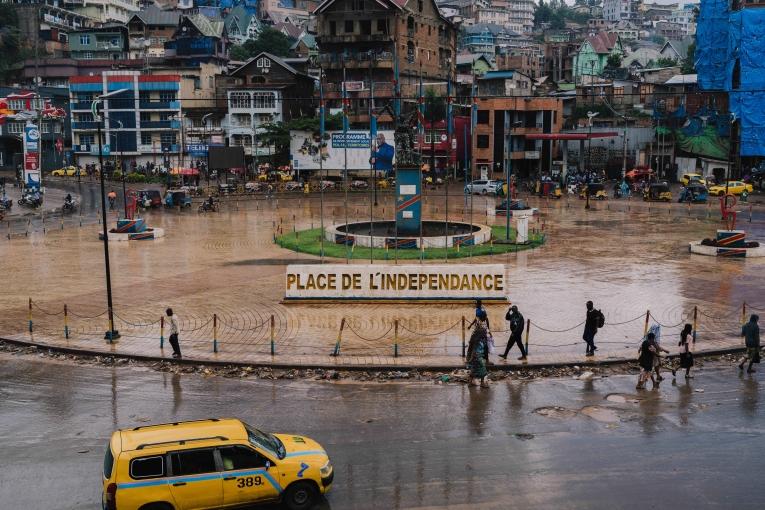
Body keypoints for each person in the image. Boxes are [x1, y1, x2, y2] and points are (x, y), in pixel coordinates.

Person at [466, 309, 490, 388]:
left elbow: (474, 339)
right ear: (483, 317)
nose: (486, 317)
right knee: (482, 366)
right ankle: (482, 383)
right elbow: (476, 339)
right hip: (477, 351)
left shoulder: (480, 325)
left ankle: (470, 382)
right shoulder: (481, 327)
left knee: (475, 367)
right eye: (485, 316)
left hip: (478, 349)